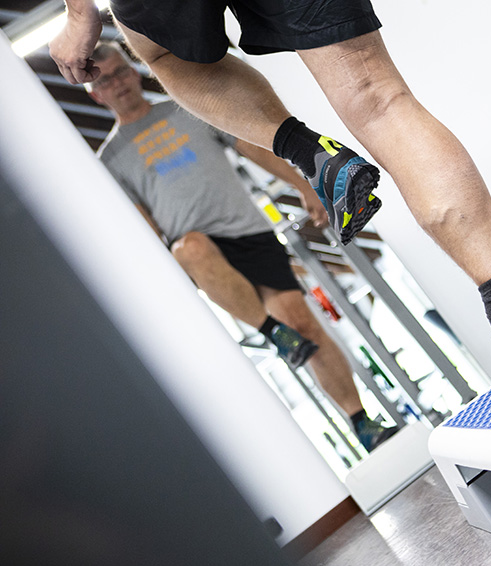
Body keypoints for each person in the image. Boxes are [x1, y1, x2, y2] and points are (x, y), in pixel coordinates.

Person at [50, 0, 491, 383]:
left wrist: (78, 13)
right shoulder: (115, 155)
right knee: (381, 101)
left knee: (167, 57)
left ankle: (310, 151)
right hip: (213, 241)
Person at [87, 42, 396, 452]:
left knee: (304, 326)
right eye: (105, 80)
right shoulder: (109, 159)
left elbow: (249, 146)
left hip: (249, 232)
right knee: (190, 248)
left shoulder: (185, 108)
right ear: (95, 93)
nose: (117, 83)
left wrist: (302, 184)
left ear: (135, 70)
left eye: (121, 71)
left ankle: (362, 423)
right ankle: (272, 332)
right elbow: (141, 223)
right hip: (199, 251)